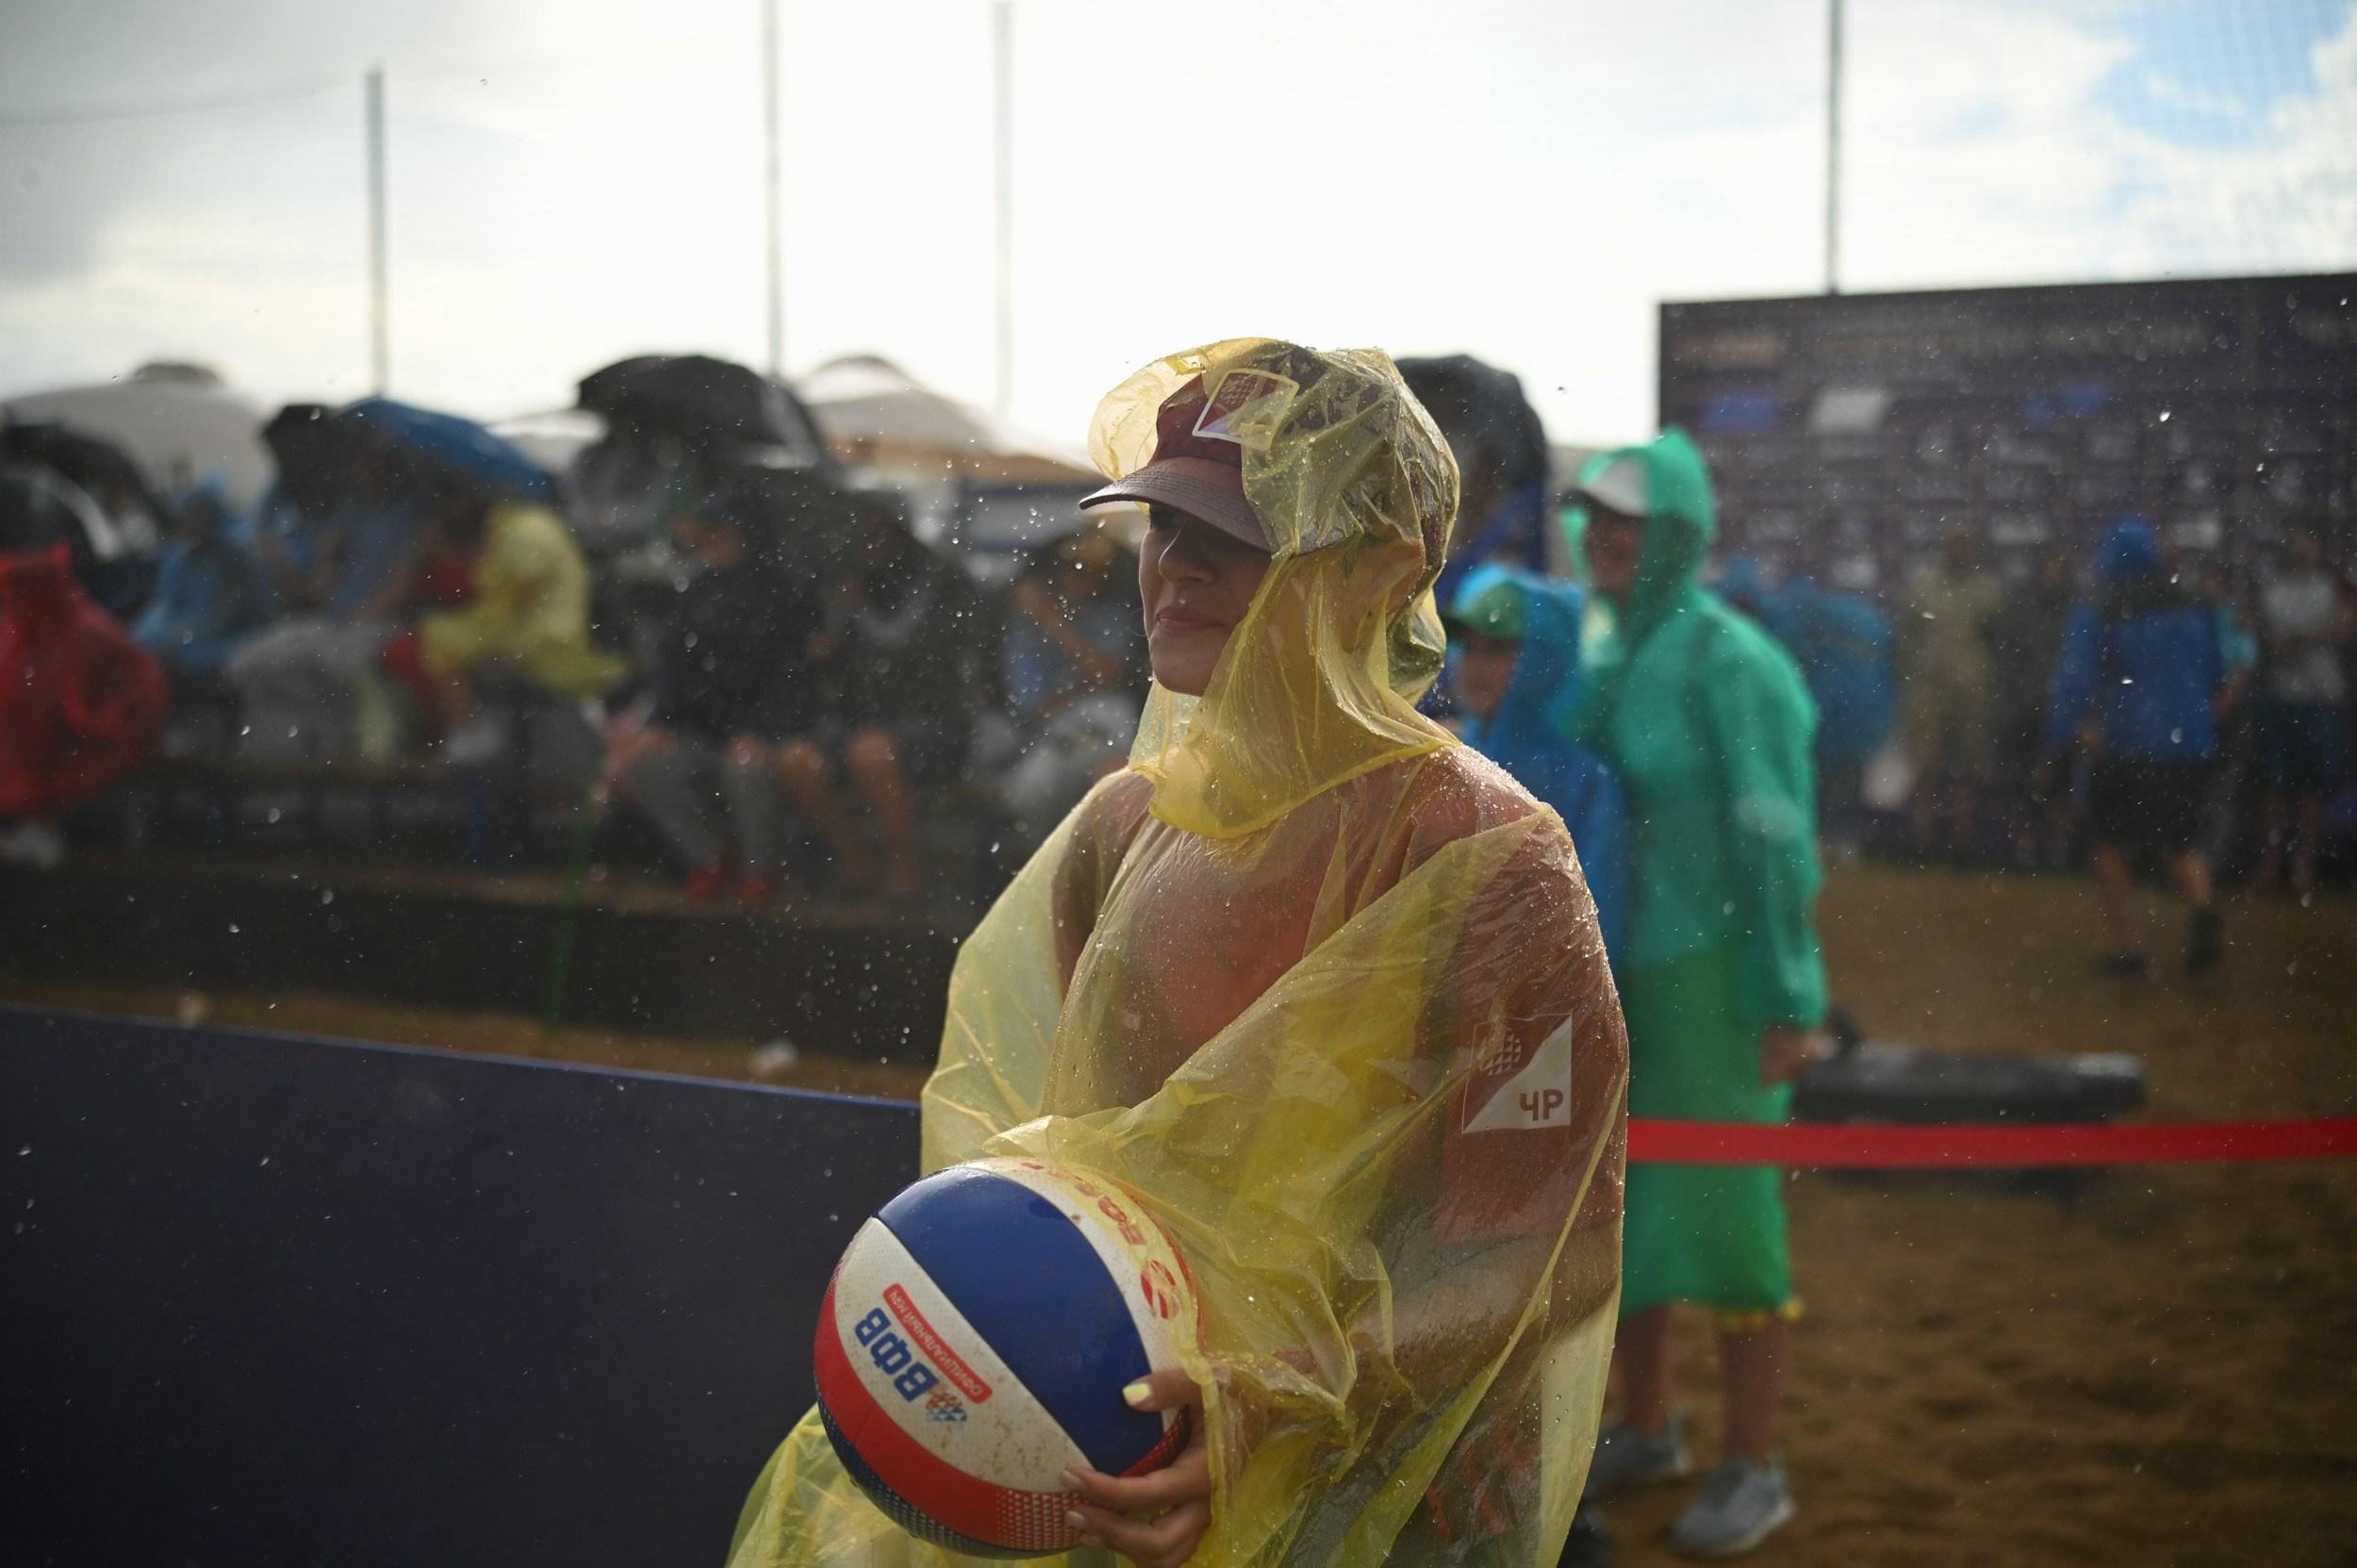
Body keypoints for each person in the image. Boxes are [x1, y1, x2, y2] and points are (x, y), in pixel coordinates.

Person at [725, 339, 1626, 1568]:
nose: (1175, 560)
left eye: (1243, 532)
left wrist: (1285, 1394)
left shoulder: (1488, 861)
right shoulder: (1120, 827)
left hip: (1375, 1500)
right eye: (1160, 522)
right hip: (1108, 1473)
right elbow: (1049, 1168)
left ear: (1383, 570)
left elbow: (1550, 1247)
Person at [1564, 433, 1827, 1559]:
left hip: (1717, 982)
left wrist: (1789, 995)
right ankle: (1648, 1424)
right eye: (1597, 516)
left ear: (1679, 529)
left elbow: (1776, 838)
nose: (1607, 536)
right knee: (1632, 1207)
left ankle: (1753, 1463)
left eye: (1632, 519)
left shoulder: (1730, 660)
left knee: (1732, 1227)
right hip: (1630, 973)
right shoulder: (1613, 645)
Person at [608, 489, 825, 901]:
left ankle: (760, 869)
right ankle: (710, 856)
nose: (711, 542)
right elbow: (677, 668)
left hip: (771, 733)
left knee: (746, 769)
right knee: (648, 765)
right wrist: (659, 724)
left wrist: (763, 731)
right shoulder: (696, 592)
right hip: (704, 732)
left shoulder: (790, 592)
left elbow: (794, 677)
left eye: (722, 533)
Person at [2043, 519, 2227, 975]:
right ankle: (2202, 910)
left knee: (2110, 844)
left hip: (2129, 747)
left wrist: (2056, 742)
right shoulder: (2194, 603)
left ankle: (2131, 951)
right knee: (2181, 842)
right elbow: (2217, 672)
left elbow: (2075, 684)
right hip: (2190, 745)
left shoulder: (2100, 608)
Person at [797, 503, 979, 900]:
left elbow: (950, 669)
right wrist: (834, 628)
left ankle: (904, 869)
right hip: (857, 724)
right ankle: (855, 861)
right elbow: (829, 680)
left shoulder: (943, 587)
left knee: (870, 751)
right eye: (863, 539)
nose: (871, 548)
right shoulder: (848, 593)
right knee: (796, 761)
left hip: (930, 728)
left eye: (881, 538)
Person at [1447, 562, 1628, 958]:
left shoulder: (1584, 781)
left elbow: (1594, 931)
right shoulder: (1447, 759)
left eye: (1497, 649)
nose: (1475, 666)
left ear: (1543, 658)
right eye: (1469, 646)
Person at [225, 450, 429, 759]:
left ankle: (362, 751)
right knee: (248, 664)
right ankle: (310, 737)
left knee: (342, 662)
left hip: (382, 625)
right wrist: (299, 559)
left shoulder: (410, 517)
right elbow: (316, 593)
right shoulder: (350, 513)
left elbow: (401, 586)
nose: (357, 470)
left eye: (365, 460)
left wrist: (359, 620)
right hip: (334, 623)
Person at [409, 482, 630, 764]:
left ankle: (468, 730)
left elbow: (500, 600)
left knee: (439, 638)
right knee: (442, 634)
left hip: (542, 638)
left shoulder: (521, 532)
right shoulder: (527, 524)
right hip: (540, 628)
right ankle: (469, 730)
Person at [994, 523, 1147, 851]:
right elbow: (1035, 705)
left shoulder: (1114, 614)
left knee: (1116, 779)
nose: (1080, 576)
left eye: (1092, 569)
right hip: (1043, 741)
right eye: (1073, 567)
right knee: (1033, 795)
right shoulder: (1027, 624)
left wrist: (1051, 621)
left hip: (1108, 734)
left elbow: (1110, 674)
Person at [129, 480, 274, 752]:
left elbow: (222, 616)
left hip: (230, 642)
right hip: (186, 639)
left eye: (196, 515)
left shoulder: (235, 560)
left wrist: (175, 640)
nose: (189, 523)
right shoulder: (178, 557)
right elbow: (166, 607)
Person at [2252, 523, 2351, 900]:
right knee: (2275, 788)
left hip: (2321, 698)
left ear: (2320, 545)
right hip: (2281, 697)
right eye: (2297, 539)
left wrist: (2302, 640)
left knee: (2312, 789)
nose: (2303, 547)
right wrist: (2276, 642)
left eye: (2310, 539)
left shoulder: (2333, 585)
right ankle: (2270, 867)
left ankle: (2303, 869)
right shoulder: (2273, 587)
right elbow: (2254, 626)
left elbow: (2345, 626)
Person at [1898, 527, 2004, 861]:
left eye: (1965, 543)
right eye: (1953, 542)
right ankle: (1922, 842)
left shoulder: (1989, 592)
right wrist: (1912, 678)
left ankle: (1963, 844)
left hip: (1974, 691)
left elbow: (2002, 643)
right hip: (1928, 689)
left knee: (1970, 769)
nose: (1958, 549)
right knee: (1924, 765)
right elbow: (1905, 638)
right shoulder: (1924, 588)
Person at [1989, 547, 2078, 867]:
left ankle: (2059, 850)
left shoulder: (2076, 610)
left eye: (2057, 568)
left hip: (2064, 711)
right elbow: (2007, 658)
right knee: (2024, 785)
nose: (2052, 575)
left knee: (2062, 786)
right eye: (2047, 568)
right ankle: (2025, 850)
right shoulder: (2022, 609)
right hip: (2026, 710)